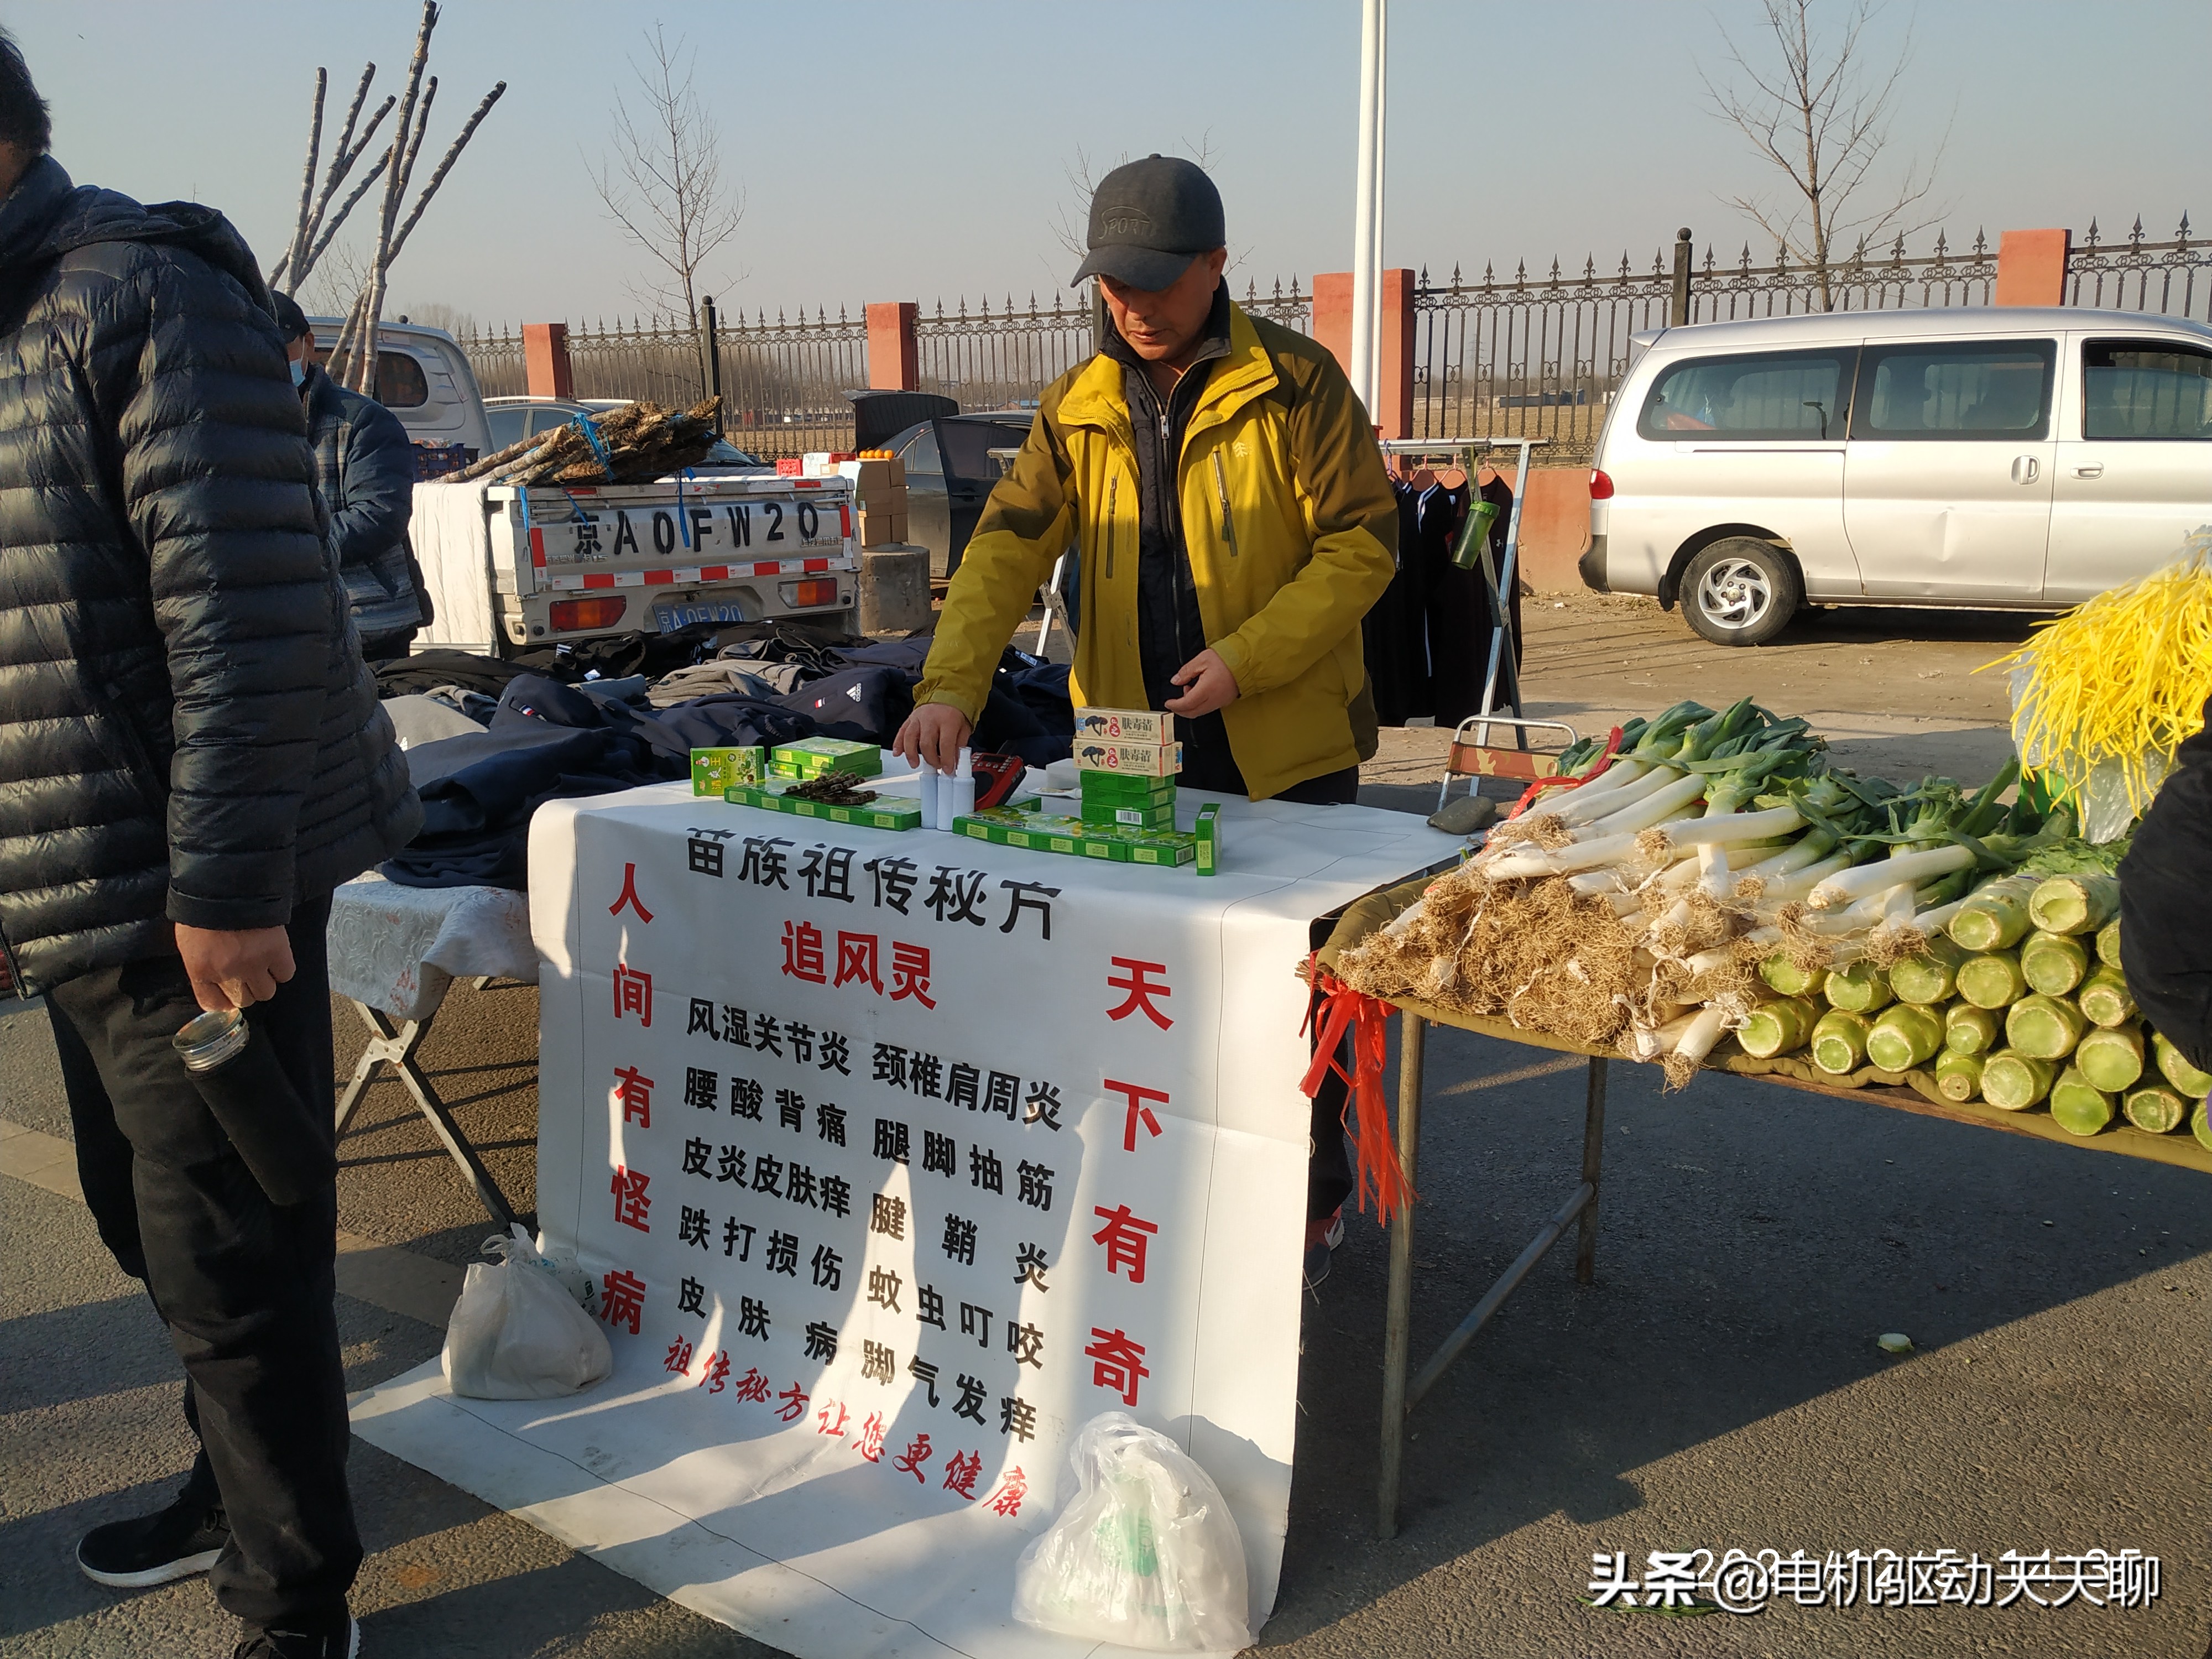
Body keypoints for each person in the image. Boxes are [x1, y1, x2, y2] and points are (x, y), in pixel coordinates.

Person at [0, 34, 419, 1659]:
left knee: (239, 1258)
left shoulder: (142, 299)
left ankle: (296, 1600)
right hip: (72, 890)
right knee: (148, 1231)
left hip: (189, 897)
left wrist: (231, 886)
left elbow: (245, 620)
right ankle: (233, 1495)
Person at [892, 154, 1399, 1276]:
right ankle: (1172, 1203)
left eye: (1159, 281)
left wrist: (1248, 659)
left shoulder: (1298, 384)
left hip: (1283, 750)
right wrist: (947, 688)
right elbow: (1006, 549)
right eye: (1115, 283)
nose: (1135, 305)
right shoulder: (1076, 407)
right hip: (1133, 750)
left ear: (1217, 266)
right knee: (1149, 996)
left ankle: (1310, 1205)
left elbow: (1362, 542)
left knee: (1303, 1004)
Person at [270, 290, 429, 661]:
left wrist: (291, 552)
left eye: (282, 348)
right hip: (285, 628)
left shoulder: (360, 420)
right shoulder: (239, 427)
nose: (271, 362)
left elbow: (379, 513)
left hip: (368, 620)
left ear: (308, 344)